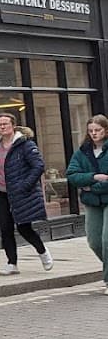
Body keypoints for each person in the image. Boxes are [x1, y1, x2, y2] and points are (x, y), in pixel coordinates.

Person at [0, 112, 52, 275]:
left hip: (21, 192)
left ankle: (43, 252)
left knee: (23, 227)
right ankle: (11, 263)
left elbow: (38, 166)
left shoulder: (25, 145)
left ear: (13, 125)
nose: (2, 127)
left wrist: (26, 184)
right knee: (5, 228)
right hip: (1, 192)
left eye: (5, 124)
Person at [66, 114, 108, 293]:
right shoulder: (82, 151)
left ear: (106, 130)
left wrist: (90, 187)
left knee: (107, 240)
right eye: (90, 130)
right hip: (91, 203)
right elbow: (72, 175)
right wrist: (94, 177)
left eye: (97, 130)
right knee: (94, 241)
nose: (93, 133)